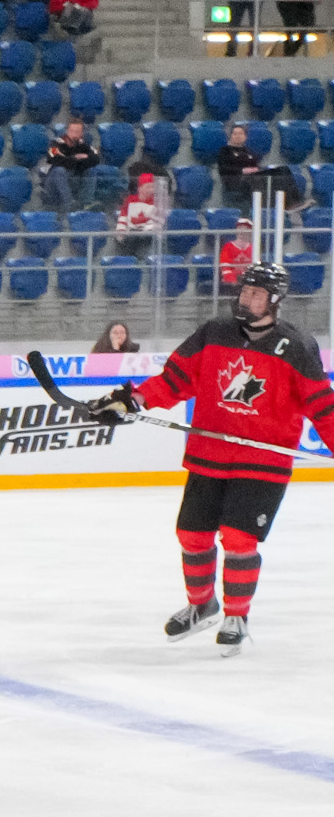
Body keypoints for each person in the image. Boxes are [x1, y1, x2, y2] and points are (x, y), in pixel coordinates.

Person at [87, 262, 334, 651]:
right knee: (192, 535)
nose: (247, 298)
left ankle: (236, 615)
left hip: (262, 463)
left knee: (238, 538)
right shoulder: (214, 332)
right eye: (245, 291)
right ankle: (202, 606)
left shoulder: (297, 345)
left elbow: (322, 407)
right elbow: (175, 379)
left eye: (257, 293)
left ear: (275, 301)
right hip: (209, 454)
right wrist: (134, 400)